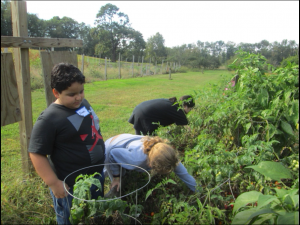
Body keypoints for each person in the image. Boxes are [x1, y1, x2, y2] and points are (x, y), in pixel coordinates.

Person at [28, 63, 105, 225]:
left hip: (96, 178)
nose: (79, 97)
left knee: (95, 216)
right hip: (70, 188)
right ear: (56, 92)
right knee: (70, 219)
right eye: (72, 94)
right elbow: (36, 153)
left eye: (81, 91)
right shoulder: (49, 119)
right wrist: (54, 183)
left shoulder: (83, 104)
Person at [104, 134, 197, 194]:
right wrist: (116, 177)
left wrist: (198, 190)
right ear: (151, 166)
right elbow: (113, 153)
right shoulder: (136, 159)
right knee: (118, 185)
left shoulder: (165, 154)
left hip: (124, 142)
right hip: (110, 148)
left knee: (126, 173)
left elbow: (183, 174)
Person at [128, 95, 195, 135]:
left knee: (139, 139)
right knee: (150, 143)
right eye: (190, 109)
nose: (190, 111)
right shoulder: (179, 111)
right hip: (145, 115)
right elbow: (187, 129)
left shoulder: (173, 104)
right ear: (185, 106)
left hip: (139, 109)